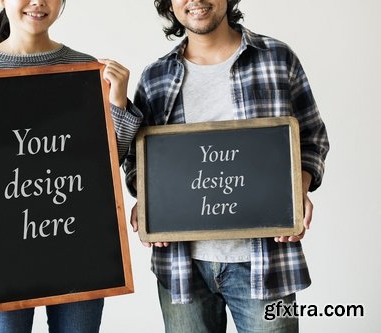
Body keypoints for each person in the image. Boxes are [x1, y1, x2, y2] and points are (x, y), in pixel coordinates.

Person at [123, 0, 329, 332]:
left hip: (265, 260)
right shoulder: (155, 77)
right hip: (182, 267)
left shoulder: (277, 58)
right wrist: (147, 204)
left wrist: (298, 188)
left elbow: (312, 136)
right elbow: (139, 158)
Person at [0, 0, 142, 332]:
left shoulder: (84, 68)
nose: (38, 2)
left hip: (79, 250)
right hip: (0, 261)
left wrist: (117, 103)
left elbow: (99, 173)